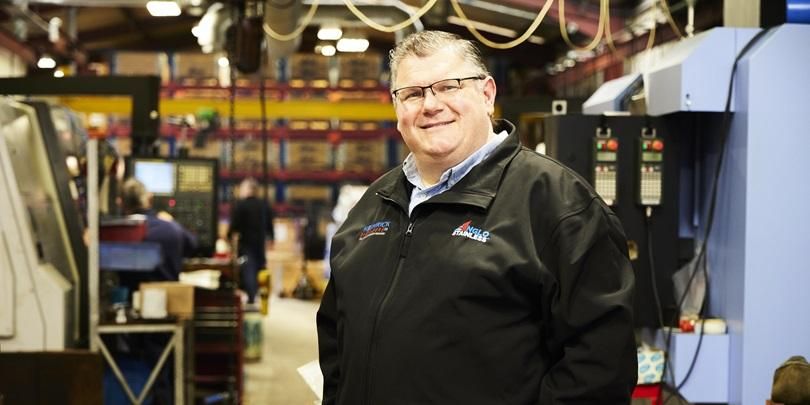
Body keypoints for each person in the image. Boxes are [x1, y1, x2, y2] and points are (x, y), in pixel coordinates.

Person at [316, 31, 637, 404]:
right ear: (397, 109)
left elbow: (599, 368)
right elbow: (337, 344)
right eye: (413, 94)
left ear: (487, 95)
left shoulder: (558, 205)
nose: (430, 105)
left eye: (448, 87)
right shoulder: (373, 204)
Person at [228, 177, 275, 304]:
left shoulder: (241, 205)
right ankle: (260, 295)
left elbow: (234, 226)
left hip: (246, 243)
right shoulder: (264, 205)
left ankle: (251, 296)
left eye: (243, 188)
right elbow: (270, 225)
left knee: (248, 269)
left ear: (248, 189)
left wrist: (229, 237)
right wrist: (271, 238)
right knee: (260, 267)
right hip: (260, 243)